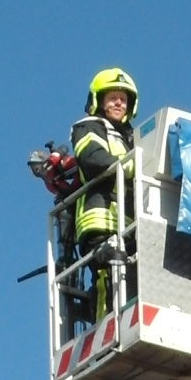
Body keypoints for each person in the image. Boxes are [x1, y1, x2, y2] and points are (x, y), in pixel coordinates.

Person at [69, 66, 139, 328]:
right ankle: (106, 331)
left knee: (129, 279)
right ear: (99, 101)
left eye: (123, 98)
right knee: (107, 277)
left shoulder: (133, 138)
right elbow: (93, 159)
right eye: (112, 98)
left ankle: (122, 323)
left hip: (128, 223)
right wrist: (131, 165)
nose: (119, 103)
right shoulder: (89, 126)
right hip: (101, 219)